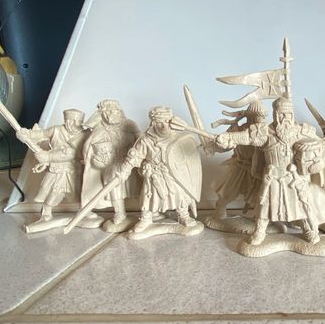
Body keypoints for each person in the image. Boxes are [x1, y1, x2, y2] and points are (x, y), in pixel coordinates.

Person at [215, 97, 325, 246]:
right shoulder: (264, 132)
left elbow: (320, 145)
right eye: (282, 114)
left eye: (288, 114)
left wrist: (317, 160)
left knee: (302, 205)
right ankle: (259, 232)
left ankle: (309, 230)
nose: (285, 118)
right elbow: (246, 137)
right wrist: (228, 137)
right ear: (275, 114)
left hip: (294, 177)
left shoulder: (301, 131)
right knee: (265, 206)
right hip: (272, 178)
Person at [116, 106, 202, 233]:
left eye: (167, 121)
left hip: (173, 174)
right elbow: (135, 156)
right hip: (154, 174)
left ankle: (183, 215)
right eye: (159, 122)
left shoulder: (179, 138)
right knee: (149, 198)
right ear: (153, 123)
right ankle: (145, 219)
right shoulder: (146, 140)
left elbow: (189, 155)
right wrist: (125, 170)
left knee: (179, 194)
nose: (164, 126)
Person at [17, 109, 87, 226]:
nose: (75, 124)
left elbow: (73, 153)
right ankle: (46, 213)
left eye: (79, 121)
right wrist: (26, 134)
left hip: (74, 169)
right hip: (56, 169)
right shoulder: (56, 130)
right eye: (72, 120)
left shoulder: (84, 134)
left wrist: (47, 156)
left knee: (81, 192)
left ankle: (85, 212)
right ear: (67, 120)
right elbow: (40, 135)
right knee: (53, 192)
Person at [81, 99, 139, 231]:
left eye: (115, 111)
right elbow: (89, 147)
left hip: (130, 163)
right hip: (110, 165)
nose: (112, 114)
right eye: (108, 112)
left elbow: (141, 141)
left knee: (144, 186)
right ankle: (120, 214)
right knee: (113, 187)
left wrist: (135, 155)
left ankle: (149, 213)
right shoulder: (99, 128)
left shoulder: (130, 125)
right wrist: (96, 159)